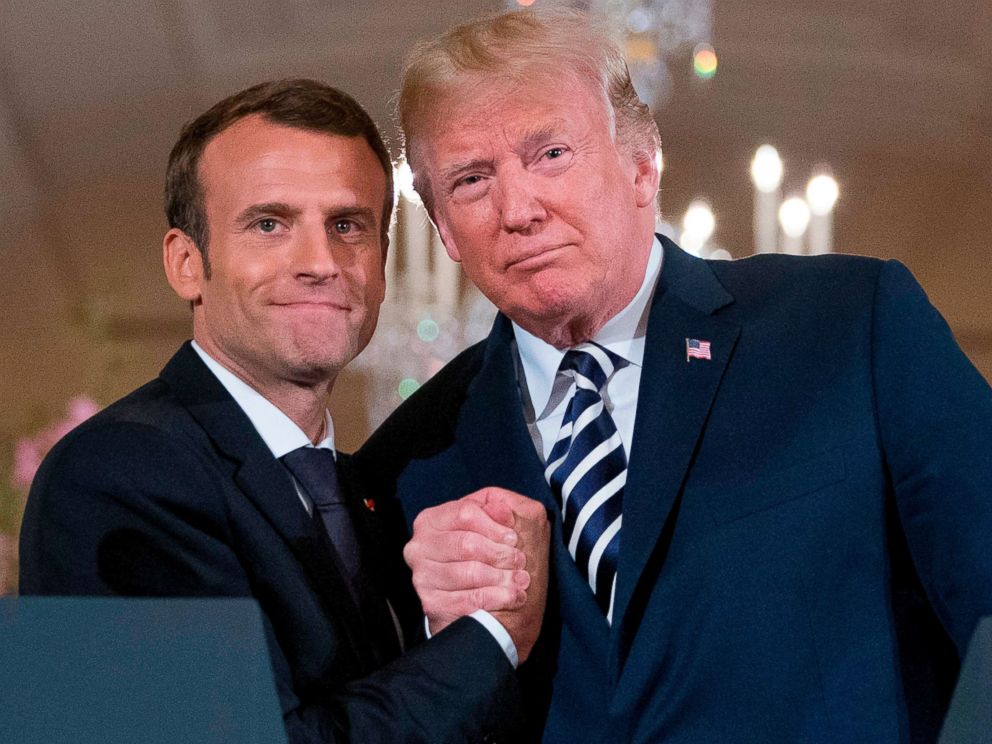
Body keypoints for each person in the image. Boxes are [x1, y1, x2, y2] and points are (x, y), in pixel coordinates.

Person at [356, 9, 992, 743]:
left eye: (552, 154)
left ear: (642, 166)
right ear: (442, 230)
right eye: (471, 180)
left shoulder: (849, 325)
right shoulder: (407, 461)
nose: (519, 209)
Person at [19, 78, 549, 744]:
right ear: (187, 263)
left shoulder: (368, 491)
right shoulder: (111, 475)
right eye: (270, 224)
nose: (320, 262)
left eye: (347, 225)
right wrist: (490, 637)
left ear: (381, 265)